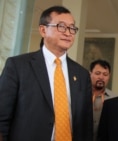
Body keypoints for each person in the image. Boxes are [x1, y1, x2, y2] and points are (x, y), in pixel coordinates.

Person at [0, 5, 93, 141]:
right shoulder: (18, 66)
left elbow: (86, 124)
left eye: (72, 28)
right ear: (43, 30)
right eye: (61, 26)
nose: (68, 33)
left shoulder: (82, 75)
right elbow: (2, 116)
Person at [90, 59, 117, 141]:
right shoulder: (80, 95)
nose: (101, 77)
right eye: (97, 73)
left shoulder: (115, 99)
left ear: (109, 76)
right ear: (90, 74)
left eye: (105, 74)